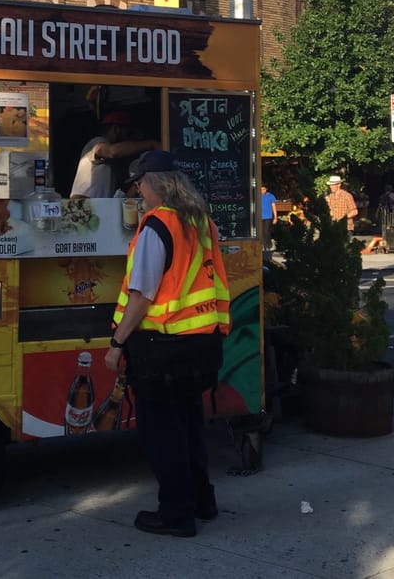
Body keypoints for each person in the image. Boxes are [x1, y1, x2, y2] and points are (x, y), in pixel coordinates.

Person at [105, 149, 231, 538]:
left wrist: (116, 343)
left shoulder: (157, 226)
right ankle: (202, 501)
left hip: (164, 349)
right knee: (189, 425)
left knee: (163, 434)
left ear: (157, 185)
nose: (138, 192)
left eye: (140, 184)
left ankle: (176, 514)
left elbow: (142, 295)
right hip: (203, 344)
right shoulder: (201, 221)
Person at [69, 110, 158, 199]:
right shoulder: (97, 142)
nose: (129, 139)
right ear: (116, 129)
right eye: (128, 133)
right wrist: (150, 144)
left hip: (99, 206)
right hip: (83, 203)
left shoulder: (112, 164)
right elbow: (112, 151)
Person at [260, 183, 278, 252]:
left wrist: (275, 217)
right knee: (261, 232)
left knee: (266, 231)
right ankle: (264, 245)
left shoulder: (271, 196)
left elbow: (274, 207)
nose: (262, 191)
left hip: (268, 216)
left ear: (266, 189)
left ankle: (269, 244)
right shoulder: (258, 196)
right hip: (260, 217)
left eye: (263, 189)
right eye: (261, 189)